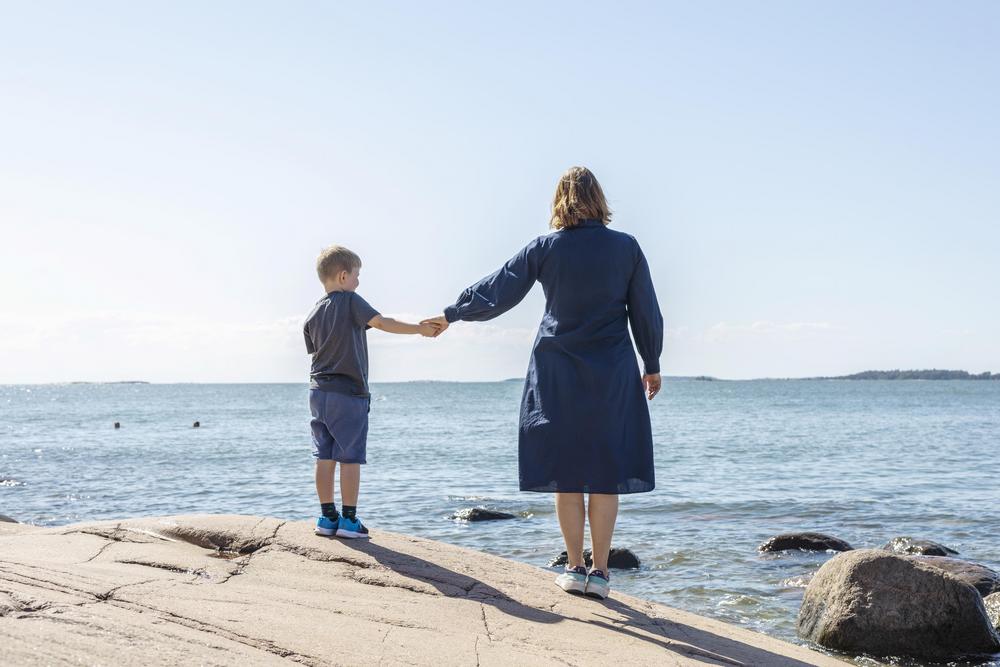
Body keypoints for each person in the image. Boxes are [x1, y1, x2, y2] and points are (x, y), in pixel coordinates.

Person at [424, 167, 663, 599]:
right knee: (606, 474)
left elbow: (500, 288)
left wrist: (453, 312)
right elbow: (645, 308)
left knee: (567, 471)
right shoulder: (626, 247)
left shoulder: (546, 247)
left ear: (560, 200)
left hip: (556, 369)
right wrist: (652, 361)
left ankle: (574, 568)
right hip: (611, 369)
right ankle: (602, 574)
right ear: (599, 198)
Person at [304, 244, 440, 538]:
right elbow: (381, 322)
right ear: (343, 276)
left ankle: (327, 518)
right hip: (348, 394)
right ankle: (349, 520)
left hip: (317, 392)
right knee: (350, 457)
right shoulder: (351, 301)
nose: (358, 281)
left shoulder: (314, 312)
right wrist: (418, 328)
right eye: (356, 275)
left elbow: (315, 352)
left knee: (324, 456)